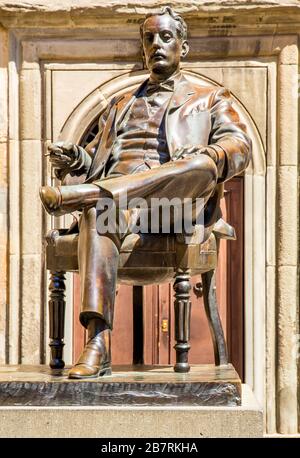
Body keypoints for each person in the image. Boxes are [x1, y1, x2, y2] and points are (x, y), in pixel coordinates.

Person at [40, 7, 251, 379]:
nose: (156, 44)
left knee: (200, 166)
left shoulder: (211, 99)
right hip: (118, 207)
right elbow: (99, 161)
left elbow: (240, 147)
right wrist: (77, 157)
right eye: (149, 38)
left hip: (172, 207)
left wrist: (212, 154)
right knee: (100, 208)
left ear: (183, 48)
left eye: (166, 37)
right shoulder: (120, 106)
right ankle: (98, 344)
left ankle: (87, 195)